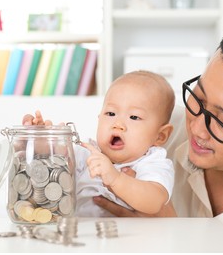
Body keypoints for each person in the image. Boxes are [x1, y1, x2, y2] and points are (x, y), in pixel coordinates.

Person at [93, 18, 223, 253]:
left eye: (222, 122)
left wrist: (173, 236)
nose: (196, 129)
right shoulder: (157, 128)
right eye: (199, 99)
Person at [23, 70, 176, 217]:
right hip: (82, 235)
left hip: (130, 239)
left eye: (134, 117)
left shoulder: (152, 162)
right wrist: (40, 137)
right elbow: (54, 159)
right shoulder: (88, 153)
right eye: (110, 113)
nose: (118, 124)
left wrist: (116, 179)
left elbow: (155, 202)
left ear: (160, 136)